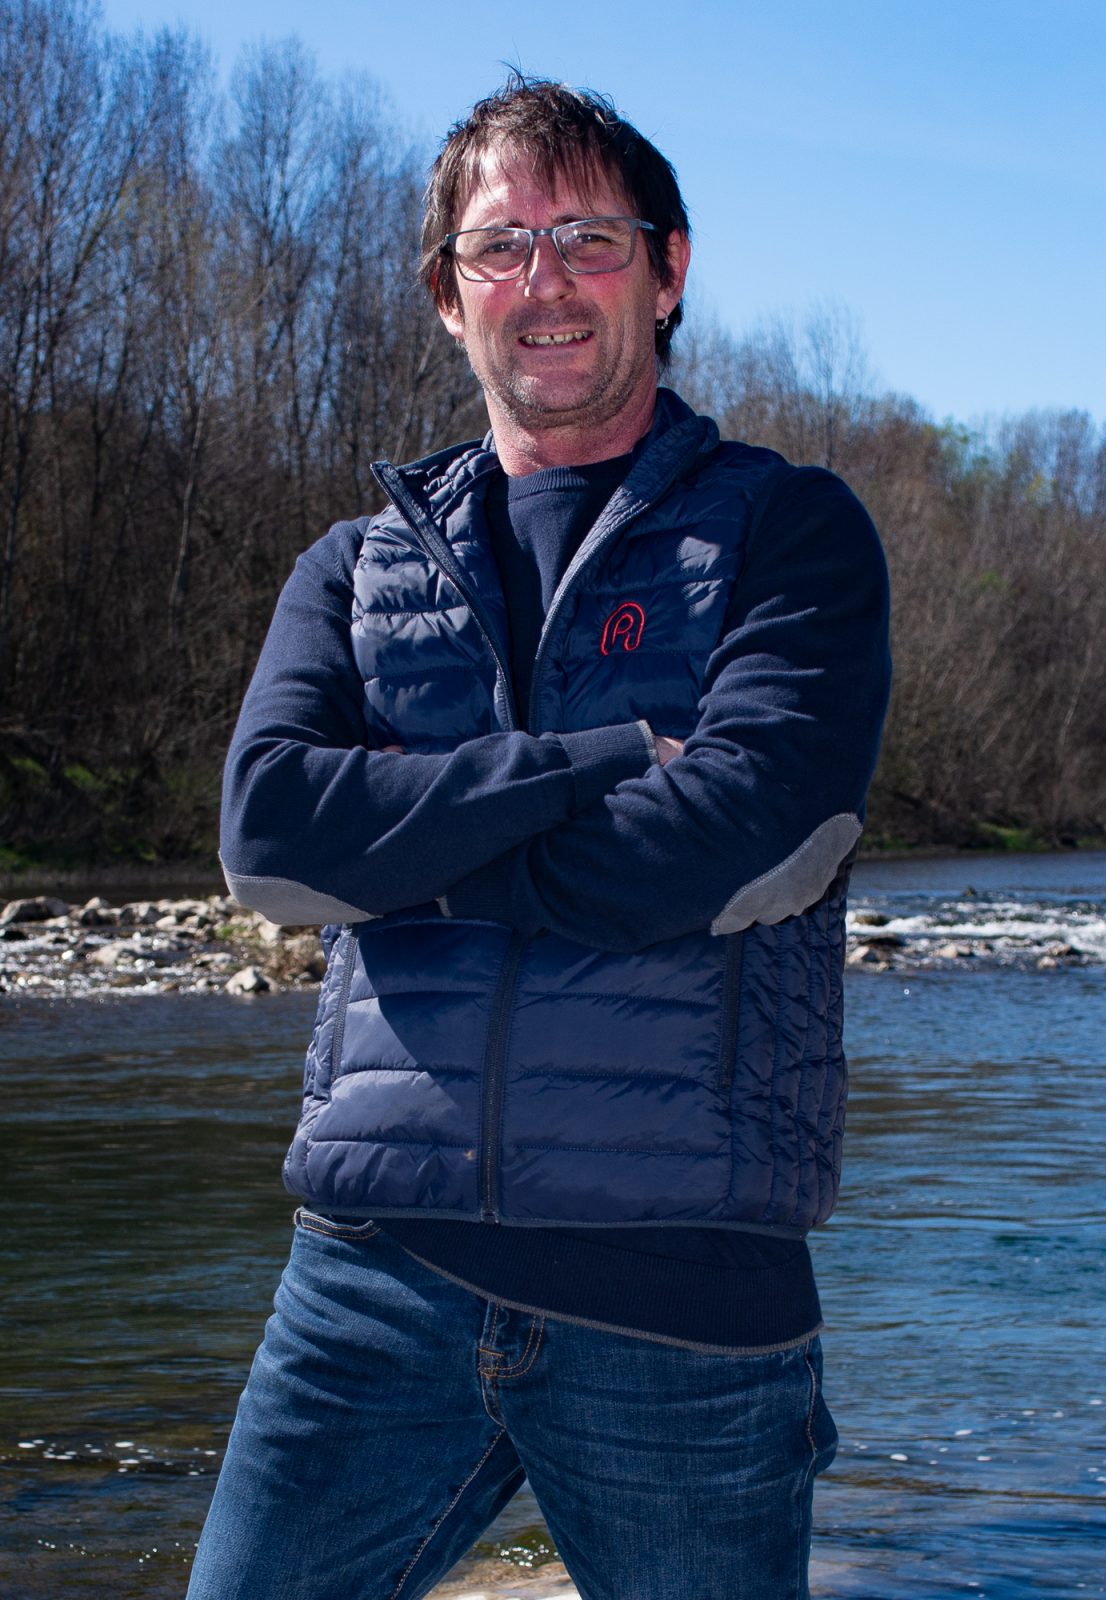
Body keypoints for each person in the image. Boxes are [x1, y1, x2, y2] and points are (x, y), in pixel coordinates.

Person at [191, 76, 891, 1600]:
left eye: (586, 237)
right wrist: (587, 764)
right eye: (500, 247)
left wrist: (407, 849)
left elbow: (739, 842)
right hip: (369, 1281)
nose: (544, 282)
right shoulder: (358, 566)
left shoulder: (790, 533)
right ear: (450, 297)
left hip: (683, 1302)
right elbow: (271, 841)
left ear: (668, 267)